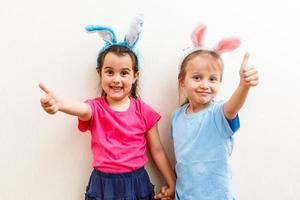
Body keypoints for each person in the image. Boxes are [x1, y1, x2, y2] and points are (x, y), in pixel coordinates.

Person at [39, 15, 175, 200]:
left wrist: (172, 182)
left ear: (135, 76)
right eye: (110, 72)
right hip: (103, 185)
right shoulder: (95, 108)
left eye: (124, 73)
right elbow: (80, 109)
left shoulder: (144, 112)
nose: (116, 79)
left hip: (136, 183)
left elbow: (157, 150)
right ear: (100, 73)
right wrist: (60, 104)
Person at [171, 24, 259, 199]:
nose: (205, 85)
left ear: (220, 82)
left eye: (212, 79)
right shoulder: (176, 117)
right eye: (197, 77)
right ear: (182, 80)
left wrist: (244, 85)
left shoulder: (219, 113)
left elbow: (233, 107)